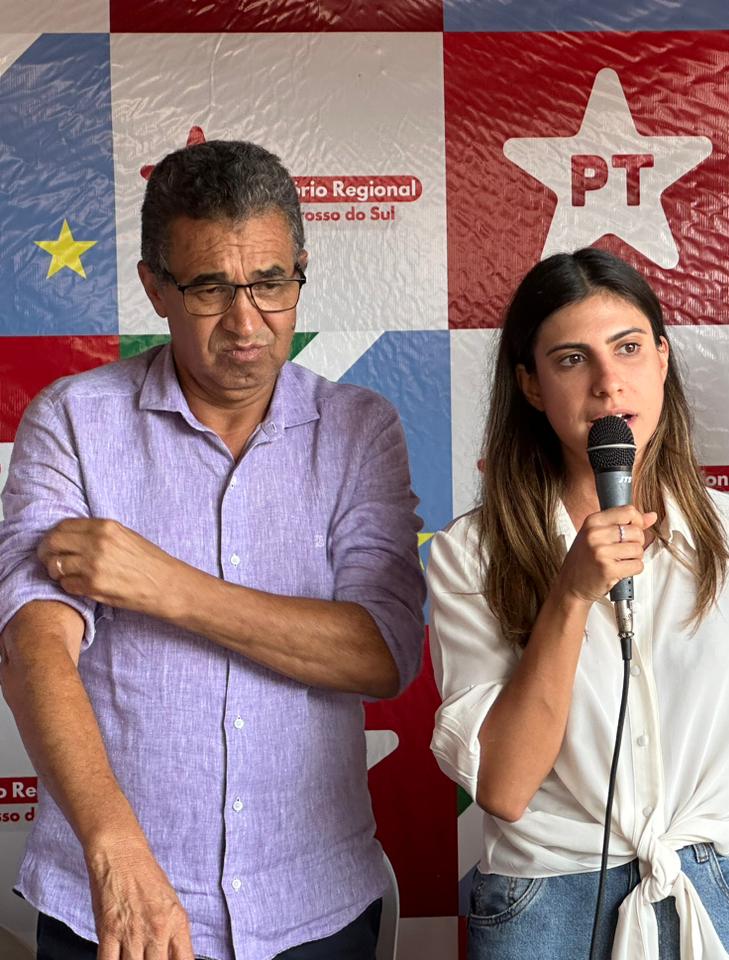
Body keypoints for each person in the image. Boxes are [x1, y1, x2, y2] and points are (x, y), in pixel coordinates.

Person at [0, 140, 426, 960]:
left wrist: (162, 584)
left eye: (270, 283)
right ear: (154, 286)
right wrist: (116, 847)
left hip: (314, 906)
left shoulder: (357, 427)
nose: (246, 323)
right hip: (112, 903)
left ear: (300, 270)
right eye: (208, 288)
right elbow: (33, 652)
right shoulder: (73, 422)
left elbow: (382, 654)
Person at [428, 248, 729, 959]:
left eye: (627, 349)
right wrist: (570, 594)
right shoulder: (472, 554)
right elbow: (503, 786)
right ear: (530, 385)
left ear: (661, 359)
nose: (606, 383)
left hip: (719, 892)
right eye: (570, 360)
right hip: (549, 902)